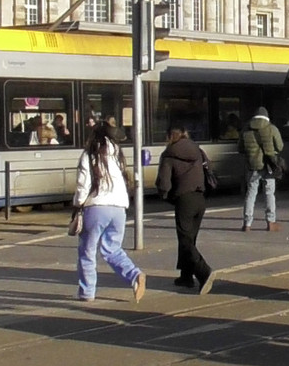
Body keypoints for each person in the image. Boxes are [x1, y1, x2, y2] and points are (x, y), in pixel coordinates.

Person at [71, 120, 145, 303]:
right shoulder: (117, 155)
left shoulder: (90, 155)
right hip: (119, 208)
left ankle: (87, 292)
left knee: (87, 251)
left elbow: (83, 183)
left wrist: (78, 204)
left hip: (96, 207)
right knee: (112, 249)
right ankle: (134, 275)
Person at [156, 126, 215, 295]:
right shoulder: (198, 150)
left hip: (184, 199)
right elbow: (209, 169)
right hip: (200, 198)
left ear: (169, 136)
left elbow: (164, 183)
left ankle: (204, 272)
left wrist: (167, 196)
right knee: (191, 238)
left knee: (185, 240)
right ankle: (186, 276)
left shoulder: (169, 154)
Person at [240, 107, 283, 232]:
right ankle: (271, 222)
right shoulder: (272, 128)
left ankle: (247, 224)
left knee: (251, 193)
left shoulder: (246, 129)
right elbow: (280, 146)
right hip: (269, 165)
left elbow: (240, 148)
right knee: (269, 193)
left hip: (252, 166)